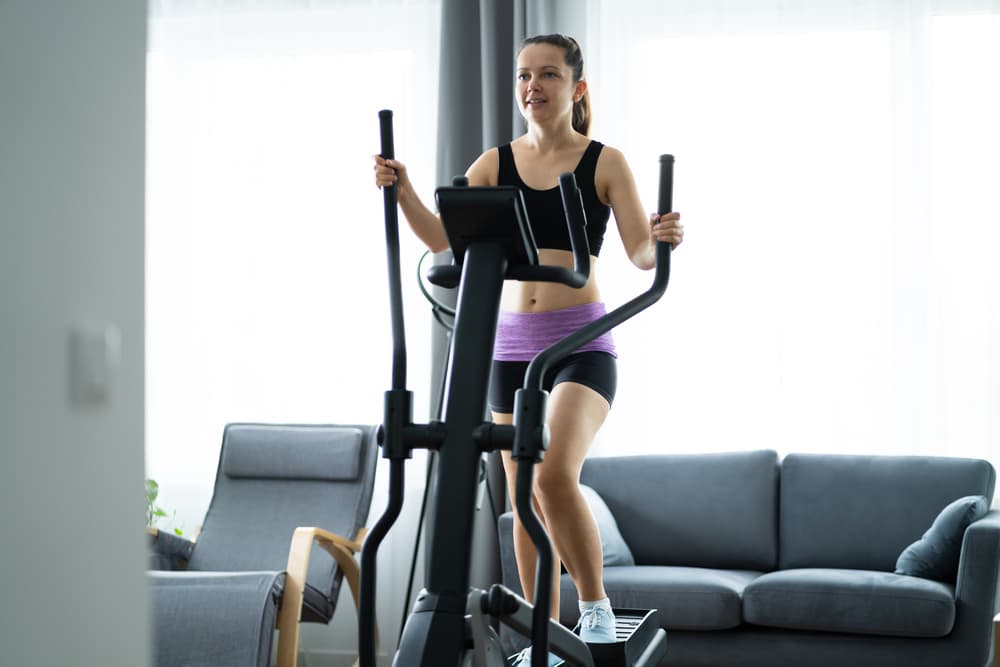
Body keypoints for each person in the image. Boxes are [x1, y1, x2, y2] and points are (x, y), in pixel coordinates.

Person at [374, 33, 684, 666]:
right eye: (522, 76)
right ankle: (538, 630)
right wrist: (403, 189)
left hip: (580, 342)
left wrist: (663, 237)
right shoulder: (495, 163)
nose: (532, 87)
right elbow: (444, 239)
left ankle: (594, 606)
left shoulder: (605, 162)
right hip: (510, 346)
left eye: (547, 74)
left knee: (552, 476)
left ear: (577, 87)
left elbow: (640, 253)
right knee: (520, 497)